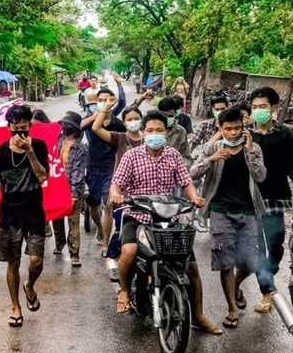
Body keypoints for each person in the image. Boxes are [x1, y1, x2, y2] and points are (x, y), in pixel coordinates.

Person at [109, 111, 221, 335]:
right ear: (144, 132)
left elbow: (186, 182)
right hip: (138, 215)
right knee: (129, 252)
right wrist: (116, 195)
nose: (154, 134)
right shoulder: (132, 156)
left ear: (166, 132)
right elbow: (117, 184)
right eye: (150, 130)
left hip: (169, 217)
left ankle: (198, 315)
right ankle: (123, 291)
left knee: (190, 265)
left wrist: (194, 198)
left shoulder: (173, 155)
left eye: (159, 130)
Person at [190, 108, 267, 329]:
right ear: (219, 128)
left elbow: (261, 175)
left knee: (250, 262)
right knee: (226, 263)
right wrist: (211, 160)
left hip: (248, 211)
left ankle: (236, 287)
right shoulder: (213, 147)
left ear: (243, 127)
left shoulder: (254, 148)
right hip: (220, 211)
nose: (233, 133)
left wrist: (250, 150)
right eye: (228, 129)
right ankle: (232, 309)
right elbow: (192, 173)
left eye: (237, 128)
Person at [0, 105, 49, 327]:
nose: (20, 133)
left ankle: (29, 285)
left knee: (36, 260)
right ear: (8, 127)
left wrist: (29, 152)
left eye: (24, 128)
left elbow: (42, 176)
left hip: (33, 211)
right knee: (12, 262)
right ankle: (15, 306)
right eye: (15, 128)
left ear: (30, 126)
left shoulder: (39, 146)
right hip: (9, 213)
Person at [233, 87, 293, 312]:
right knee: (256, 249)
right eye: (255, 107)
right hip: (249, 201)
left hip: (277, 199)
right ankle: (268, 291)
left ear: (274, 108)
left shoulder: (286, 134)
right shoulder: (245, 135)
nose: (258, 111)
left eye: (263, 106)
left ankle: (241, 281)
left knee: (276, 247)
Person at [81, 89, 126, 255]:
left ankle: (105, 244)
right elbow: (73, 129)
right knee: (93, 205)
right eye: (100, 100)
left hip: (111, 169)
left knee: (108, 206)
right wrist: (94, 117)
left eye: (107, 100)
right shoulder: (89, 120)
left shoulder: (118, 124)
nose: (104, 102)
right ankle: (100, 228)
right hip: (92, 167)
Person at [52, 111, 88, 267]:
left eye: (67, 125)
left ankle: (74, 253)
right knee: (56, 219)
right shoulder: (57, 141)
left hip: (73, 189)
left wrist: (74, 194)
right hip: (57, 188)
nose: (64, 127)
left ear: (74, 128)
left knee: (73, 222)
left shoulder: (80, 147)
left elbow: (78, 173)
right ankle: (59, 244)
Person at [157, 96, 192, 166]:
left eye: (170, 116)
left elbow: (186, 156)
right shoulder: (151, 129)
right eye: (163, 115)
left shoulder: (181, 132)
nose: (166, 118)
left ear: (176, 114)